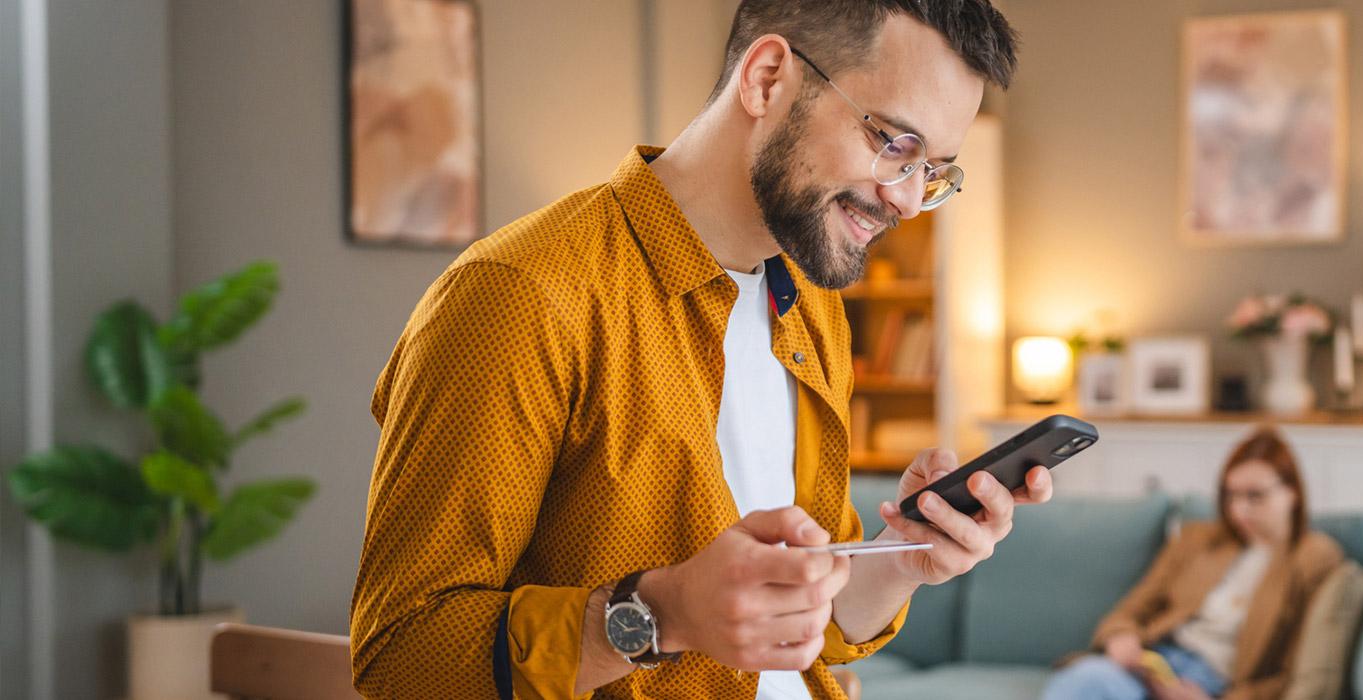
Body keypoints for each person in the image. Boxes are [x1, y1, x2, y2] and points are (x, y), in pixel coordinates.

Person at [347, 2, 1029, 698]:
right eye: (893, 144)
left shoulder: (813, 306)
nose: (910, 201)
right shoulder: (520, 297)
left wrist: (897, 560)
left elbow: (794, 628)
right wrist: (662, 614)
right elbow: (402, 659)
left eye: (935, 169)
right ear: (766, 79)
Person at [1043, 428, 1346, 700]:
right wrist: (1122, 637)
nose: (1240, 510)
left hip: (1211, 685)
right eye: (1231, 496)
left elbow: (1295, 674)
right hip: (1152, 664)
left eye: (1255, 496)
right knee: (1089, 680)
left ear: (1291, 491)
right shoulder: (1197, 540)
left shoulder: (1314, 559)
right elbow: (1130, 612)